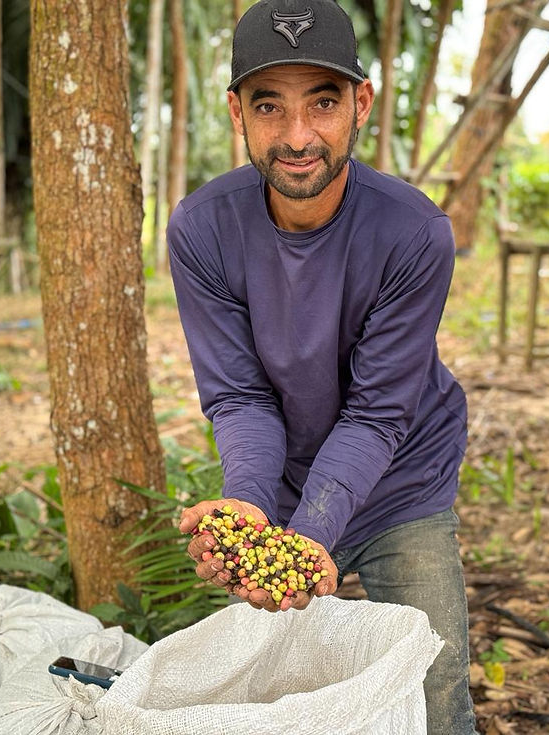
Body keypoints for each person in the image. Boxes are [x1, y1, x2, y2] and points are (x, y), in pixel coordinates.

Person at [169, 1, 477, 732]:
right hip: (276, 487)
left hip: (405, 480)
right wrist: (251, 503)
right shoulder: (203, 229)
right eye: (270, 105)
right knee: (278, 696)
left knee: (433, 688)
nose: (298, 136)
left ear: (360, 104)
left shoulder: (414, 233)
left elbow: (378, 412)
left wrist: (312, 530)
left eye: (324, 101)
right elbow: (240, 396)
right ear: (237, 111)